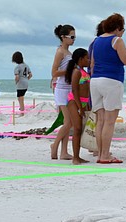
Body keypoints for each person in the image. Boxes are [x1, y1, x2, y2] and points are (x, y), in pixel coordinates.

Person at [90, 13, 126, 164]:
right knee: (110, 121)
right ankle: (105, 155)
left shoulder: (96, 41)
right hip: (111, 80)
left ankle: (100, 153)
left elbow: (92, 64)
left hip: (95, 80)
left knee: (100, 120)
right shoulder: (117, 40)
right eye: (122, 29)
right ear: (118, 28)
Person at [50, 24, 75, 161]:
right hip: (62, 89)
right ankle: (54, 145)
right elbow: (54, 72)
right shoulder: (60, 52)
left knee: (67, 121)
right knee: (68, 122)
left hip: (69, 88)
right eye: (71, 37)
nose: (73, 39)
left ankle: (64, 151)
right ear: (63, 37)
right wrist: (69, 72)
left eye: (74, 37)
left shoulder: (69, 53)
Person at [66, 48, 92, 164]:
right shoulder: (76, 72)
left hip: (83, 102)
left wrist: (87, 105)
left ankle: (78, 156)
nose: (88, 60)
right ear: (81, 59)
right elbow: (75, 90)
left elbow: (87, 90)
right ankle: (75, 157)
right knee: (77, 129)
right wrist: (80, 107)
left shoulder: (84, 72)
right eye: (87, 58)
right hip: (74, 102)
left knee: (80, 129)